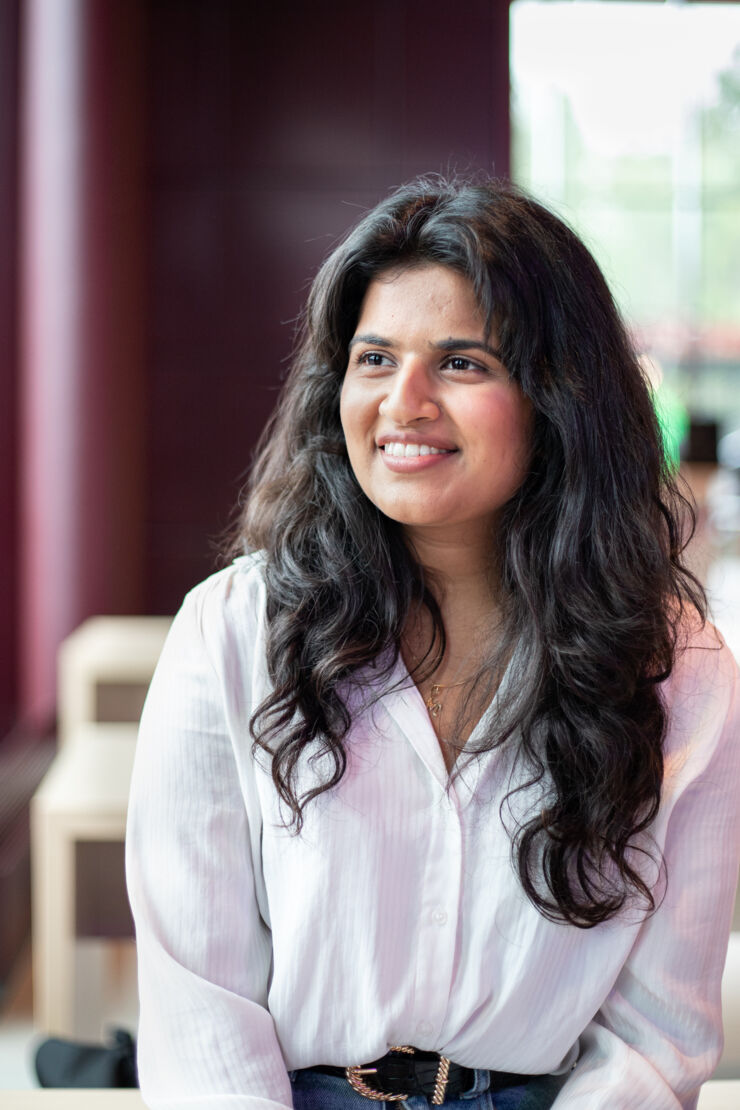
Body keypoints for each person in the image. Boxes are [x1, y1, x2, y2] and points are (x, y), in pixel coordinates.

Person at [125, 177, 740, 1110]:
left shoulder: (677, 669)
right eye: (374, 358)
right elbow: (199, 1018)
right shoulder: (232, 632)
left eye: (461, 363)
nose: (403, 402)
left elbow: (655, 1044)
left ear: (557, 398)